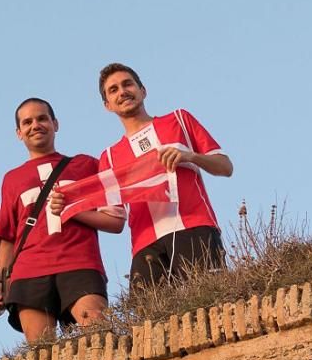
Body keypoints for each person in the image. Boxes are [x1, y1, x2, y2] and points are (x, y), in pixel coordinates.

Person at [57, 63, 233, 289]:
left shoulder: (179, 120)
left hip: (194, 229)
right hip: (145, 246)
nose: (122, 92)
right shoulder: (109, 157)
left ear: (143, 90)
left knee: (212, 308)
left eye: (127, 84)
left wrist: (189, 156)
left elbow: (225, 167)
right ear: (107, 105)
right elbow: (114, 219)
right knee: (150, 322)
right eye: (113, 90)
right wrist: (71, 209)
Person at [0, 98, 124, 342]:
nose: (36, 125)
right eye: (28, 122)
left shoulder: (85, 165)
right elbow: (8, 237)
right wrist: (2, 281)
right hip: (29, 271)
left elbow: (116, 223)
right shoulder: (11, 179)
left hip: (79, 263)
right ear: (18, 133)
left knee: (100, 338)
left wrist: (74, 210)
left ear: (55, 124)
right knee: (41, 355)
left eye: (42, 118)